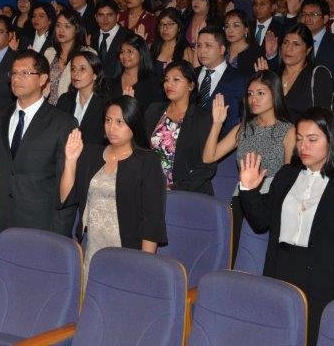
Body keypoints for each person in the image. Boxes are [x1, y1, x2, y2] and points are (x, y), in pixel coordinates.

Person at [238, 107, 334, 345]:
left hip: (324, 280)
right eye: (299, 139)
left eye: (312, 139)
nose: (303, 146)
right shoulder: (287, 175)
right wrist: (249, 190)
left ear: (331, 141)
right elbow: (261, 223)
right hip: (280, 268)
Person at [0, 49, 77, 239]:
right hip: (3, 223)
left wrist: (59, 235)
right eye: (13, 73)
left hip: (42, 227)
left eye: (25, 73)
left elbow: (66, 185)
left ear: (43, 78)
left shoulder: (62, 123)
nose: (16, 78)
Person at [60, 96, 167, 284]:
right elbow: (65, 198)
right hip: (92, 247)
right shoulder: (91, 154)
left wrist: (144, 266)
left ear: (133, 124)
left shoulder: (147, 161)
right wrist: (70, 161)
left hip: (127, 252)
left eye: (120, 122)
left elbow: (152, 220)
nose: (111, 128)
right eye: (108, 121)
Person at [203, 71, 295, 257]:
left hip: (271, 199)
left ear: (275, 94)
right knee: (238, 255)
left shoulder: (288, 130)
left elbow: (289, 177)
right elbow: (208, 157)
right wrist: (217, 123)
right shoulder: (243, 128)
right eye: (250, 94)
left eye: (260, 93)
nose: (253, 99)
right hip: (242, 198)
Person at [145, 60, 215, 194]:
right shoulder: (154, 110)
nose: (169, 84)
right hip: (150, 186)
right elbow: (140, 148)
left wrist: (175, 188)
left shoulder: (203, 118)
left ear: (191, 85)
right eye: (166, 80)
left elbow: (207, 167)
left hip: (186, 192)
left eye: (176, 79)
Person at [298, 0, 334, 115]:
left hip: (330, 109)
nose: (306, 19)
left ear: (325, 18)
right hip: (299, 109)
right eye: (304, 14)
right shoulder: (295, 42)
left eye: (313, 14)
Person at [277, 24, 332, 123]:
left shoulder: (318, 74)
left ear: (308, 50)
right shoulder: (274, 74)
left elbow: (323, 118)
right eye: (285, 43)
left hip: (304, 136)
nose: (288, 48)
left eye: (296, 44)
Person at [195, 26, 245, 135]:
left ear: (222, 49)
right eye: (199, 45)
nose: (202, 51)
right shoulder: (191, 75)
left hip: (224, 143)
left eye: (208, 45)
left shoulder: (239, 79)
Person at [56, 51, 108, 145]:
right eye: (73, 69)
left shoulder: (106, 104)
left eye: (82, 69)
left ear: (95, 75)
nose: (76, 74)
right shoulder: (64, 100)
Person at [44, 9, 91, 104]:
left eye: (67, 26)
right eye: (58, 25)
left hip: (72, 108)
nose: (61, 30)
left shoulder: (87, 53)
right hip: (47, 109)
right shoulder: (49, 52)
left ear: (77, 29)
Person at [110, 34, 163, 111]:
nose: (124, 55)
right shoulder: (112, 80)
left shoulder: (153, 82)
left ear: (141, 53)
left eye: (130, 51)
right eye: (122, 52)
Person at [90, 0, 129, 79]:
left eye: (110, 15)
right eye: (101, 15)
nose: (105, 19)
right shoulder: (92, 36)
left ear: (117, 16)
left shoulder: (128, 36)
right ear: (96, 17)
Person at [150, 8, 195, 74]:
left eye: (170, 24)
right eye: (162, 24)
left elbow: (189, 79)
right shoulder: (153, 46)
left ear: (179, 27)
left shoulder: (186, 51)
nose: (165, 28)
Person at [224, 9, 264, 78]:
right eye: (227, 26)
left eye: (236, 26)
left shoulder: (255, 53)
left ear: (246, 29)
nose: (230, 30)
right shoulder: (221, 49)